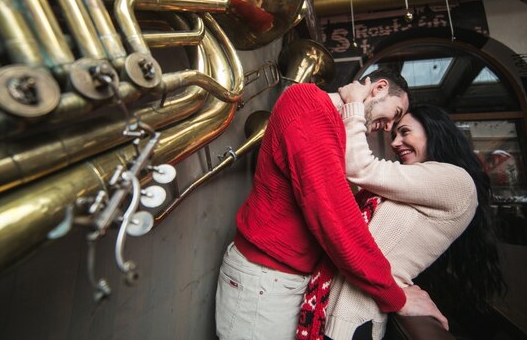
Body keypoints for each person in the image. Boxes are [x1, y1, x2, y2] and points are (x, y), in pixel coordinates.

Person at [215, 69, 446, 340]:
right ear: (380, 87)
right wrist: (397, 298)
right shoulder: (308, 102)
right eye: (395, 114)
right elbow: (335, 219)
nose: (387, 128)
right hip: (265, 279)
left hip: (280, 279)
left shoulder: (334, 126)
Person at [321, 96, 505, 340]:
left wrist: (354, 104)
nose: (396, 143)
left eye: (405, 132)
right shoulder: (418, 182)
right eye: (394, 135)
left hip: (354, 319)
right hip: (335, 310)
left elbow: (359, 167)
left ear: (434, 132)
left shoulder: (455, 181)